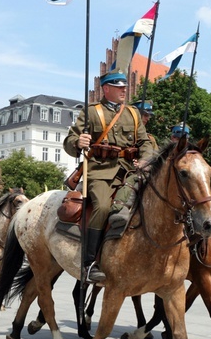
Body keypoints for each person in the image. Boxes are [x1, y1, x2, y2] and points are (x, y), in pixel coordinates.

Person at [63, 68, 157, 282]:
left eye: (124, 86)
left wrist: (144, 160)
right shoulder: (92, 112)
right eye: (118, 86)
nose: (124, 89)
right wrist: (78, 142)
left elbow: (144, 142)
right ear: (106, 89)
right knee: (103, 207)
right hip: (100, 170)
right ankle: (89, 263)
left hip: (129, 171)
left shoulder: (133, 114)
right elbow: (70, 140)